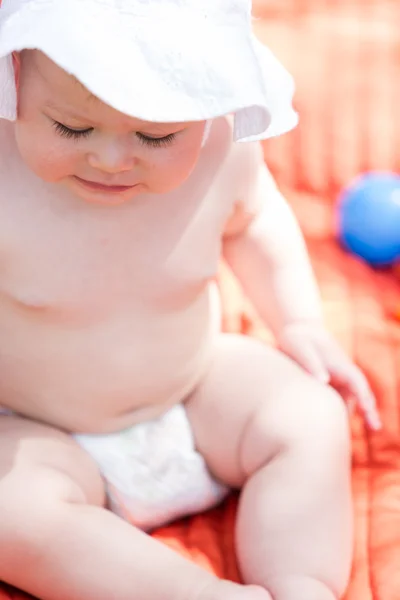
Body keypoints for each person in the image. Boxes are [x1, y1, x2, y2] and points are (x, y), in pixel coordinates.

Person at [0, 1, 380, 599]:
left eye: (156, 136)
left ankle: (301, 584)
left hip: (193, 391)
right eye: (72, 128)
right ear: (15, 73)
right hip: (38, 429)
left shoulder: (222, 153)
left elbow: (255, 222)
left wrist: (300, 321)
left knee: (311, 414)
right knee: (10, 513)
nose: (110, 158)